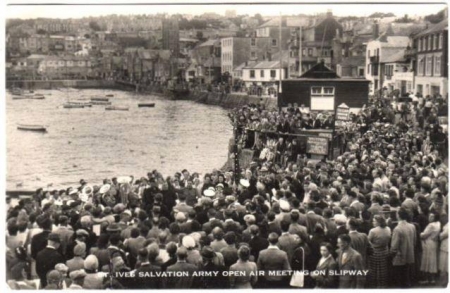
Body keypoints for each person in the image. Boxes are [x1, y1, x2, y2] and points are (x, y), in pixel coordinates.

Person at [390, 207, 416, 288]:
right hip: (409, 255)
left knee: (399, 281)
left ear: (398, 215)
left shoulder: (397, 229)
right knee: (406, 278)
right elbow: (414, 241)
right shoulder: (412, 226)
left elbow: (394, 247)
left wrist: (391, 255)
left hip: (399, 257)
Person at [367, 215, 391, 288]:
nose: (372, 222)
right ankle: (383, 284)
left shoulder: (373, 231)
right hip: (385, 252)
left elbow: (368, 241)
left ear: (378, 222)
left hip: (375, 252)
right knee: (383, 269)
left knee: (375, 270)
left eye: (374, 221)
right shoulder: (388, 228)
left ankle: (375, 285)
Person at [420, 212, 441, 285]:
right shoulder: (438, 223)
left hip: (428, 243)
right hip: (434, 243)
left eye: (431, 216)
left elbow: (424, 235)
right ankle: (432, 279)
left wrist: (420, 233)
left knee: (427, 261)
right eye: (429, 216)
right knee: (432, 261)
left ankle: (426, 279)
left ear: (434, 217)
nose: (429, 217)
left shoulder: (430, 225)